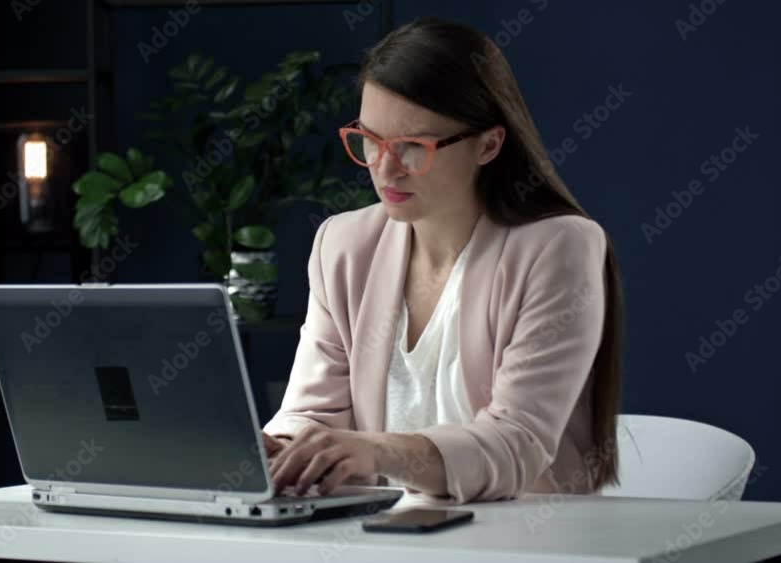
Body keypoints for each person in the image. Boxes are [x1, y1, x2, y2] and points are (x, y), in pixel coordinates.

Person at [262, 16, 624, 504]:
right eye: (369, 140)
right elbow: (312, 414)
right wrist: (278, 450)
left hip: (527, 540)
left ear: (489, 144)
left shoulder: (558, 247)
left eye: (412, 147)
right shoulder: (343, 245)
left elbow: (515, 444)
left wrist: (375, 452)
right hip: (386, 538)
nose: (384, 167)